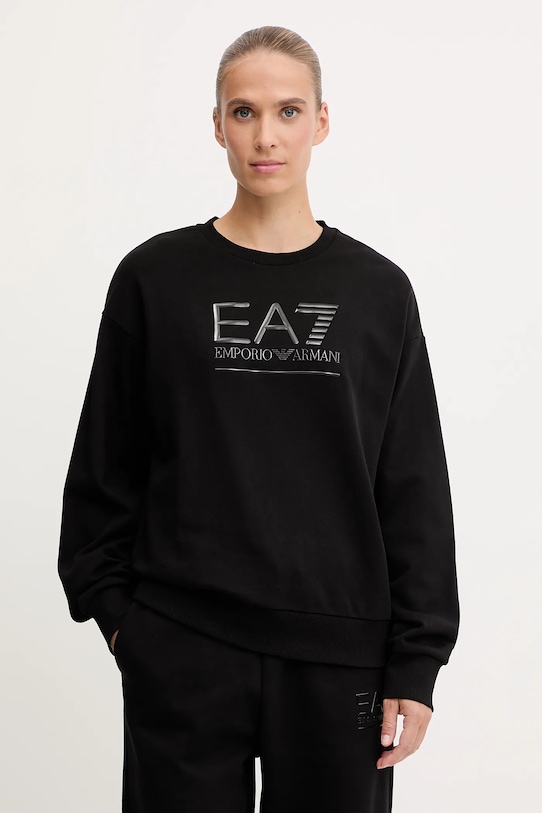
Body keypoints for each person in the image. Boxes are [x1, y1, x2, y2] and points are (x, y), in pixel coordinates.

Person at [58, 24, 460, 813]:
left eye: (288, 111)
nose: (265, 136)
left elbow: (412, 484)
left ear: (321, 122)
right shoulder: (155, 278)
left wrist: (417, 663)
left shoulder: (378, 292)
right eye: (243, 112)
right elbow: (103, 468)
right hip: (184, 643)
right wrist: (126, 626)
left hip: (341, 656)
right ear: (217, 125)